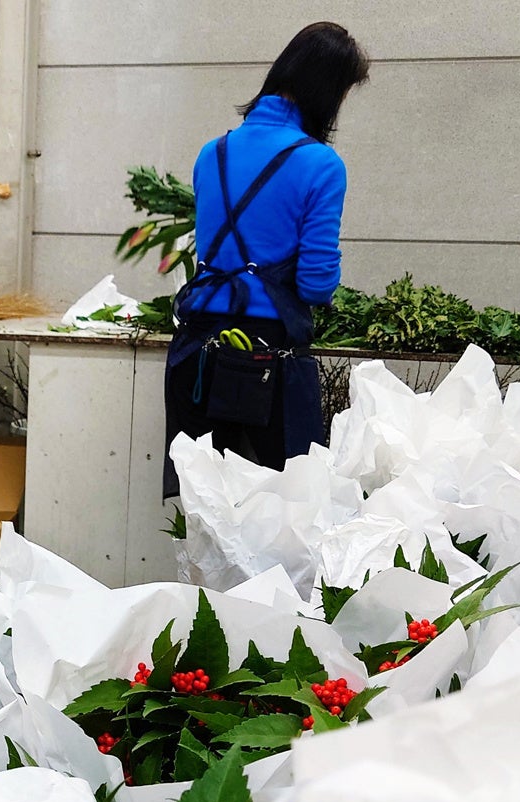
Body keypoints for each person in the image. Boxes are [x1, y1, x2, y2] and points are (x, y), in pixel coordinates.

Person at [164, 22, 369, 495]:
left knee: (205, 507)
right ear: (327, 92)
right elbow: (318, 284)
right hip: (267, 356)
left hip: (196, 348)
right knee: (289, 506)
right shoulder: (319, 163)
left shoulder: (210, 153)